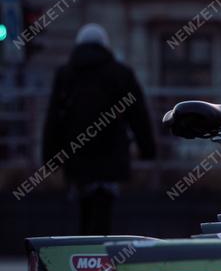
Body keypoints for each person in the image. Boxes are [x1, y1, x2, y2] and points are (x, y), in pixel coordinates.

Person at [42, 22, 156, 234]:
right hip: (111, 153)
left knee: (83, 207)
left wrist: (50, 158)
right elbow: (138, 114)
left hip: (77, 153)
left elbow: (54, 118)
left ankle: (82, 256)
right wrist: (147, 149)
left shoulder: (65, 75)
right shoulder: (121, 73)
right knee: (104, 207)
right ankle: (100, 255)